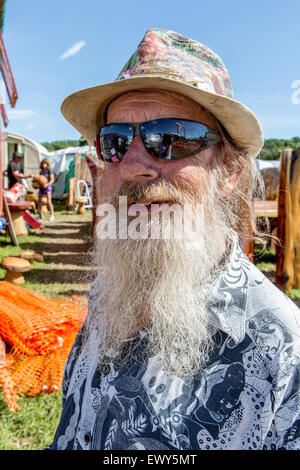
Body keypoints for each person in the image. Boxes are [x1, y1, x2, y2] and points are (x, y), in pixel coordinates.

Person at [49, 29, 300, 450]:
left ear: (231, 171)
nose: (133, 167)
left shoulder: (280, 352)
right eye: (114, 142)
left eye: (170, 137)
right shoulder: (108, 290)